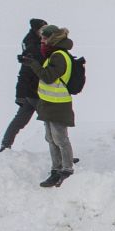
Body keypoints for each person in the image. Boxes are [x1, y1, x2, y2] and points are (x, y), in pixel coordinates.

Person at [34, 25, 77, 187]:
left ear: (52, 38)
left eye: (44, 38)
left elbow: (48, 77)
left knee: (60, 138)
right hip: (49, 102)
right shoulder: (52, 54)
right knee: (51, 138)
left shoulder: (59, 55)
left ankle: (66, 169)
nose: (42, 41)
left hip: (59, 104)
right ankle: (56, 169)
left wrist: (33, 64)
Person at [0, 19, 45, 152]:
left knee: (20, 121)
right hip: (35, 93)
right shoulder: (33, 46)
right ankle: (61, 154)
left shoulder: (32, 45)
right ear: (36, 30)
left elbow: (23, 74)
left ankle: (5, 145)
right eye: (42, 30)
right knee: (52, 123)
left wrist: (20, 95)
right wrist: (19, 95)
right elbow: (24, 73)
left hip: (30, 93)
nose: (44, 33)